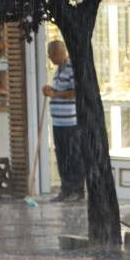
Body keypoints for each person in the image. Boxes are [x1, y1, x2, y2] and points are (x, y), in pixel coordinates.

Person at [42, 41, 84, 202]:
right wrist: (49, 91)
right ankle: (66, 189)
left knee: (74, 156)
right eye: (49, 54)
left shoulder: (71, 68)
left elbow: (75, 92)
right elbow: (58, 90)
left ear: (61, 53)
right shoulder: (58, 71)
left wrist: (54, 94)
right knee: (62, 157)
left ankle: (77, 190)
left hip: (71, 122)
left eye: (52, 54)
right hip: (58, 122)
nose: (50, 57)